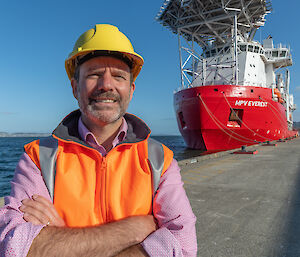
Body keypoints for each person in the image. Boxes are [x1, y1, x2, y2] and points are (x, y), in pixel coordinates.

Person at [0, 24, 197, 257]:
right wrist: (134, 229)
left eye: (118, 76)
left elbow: (183, 247)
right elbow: (17, 248)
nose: (106, 85)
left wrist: (64, 239)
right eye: (94, 74)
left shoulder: (159, 160)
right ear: (75, 87)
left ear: (131, 90)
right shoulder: (39, 157)